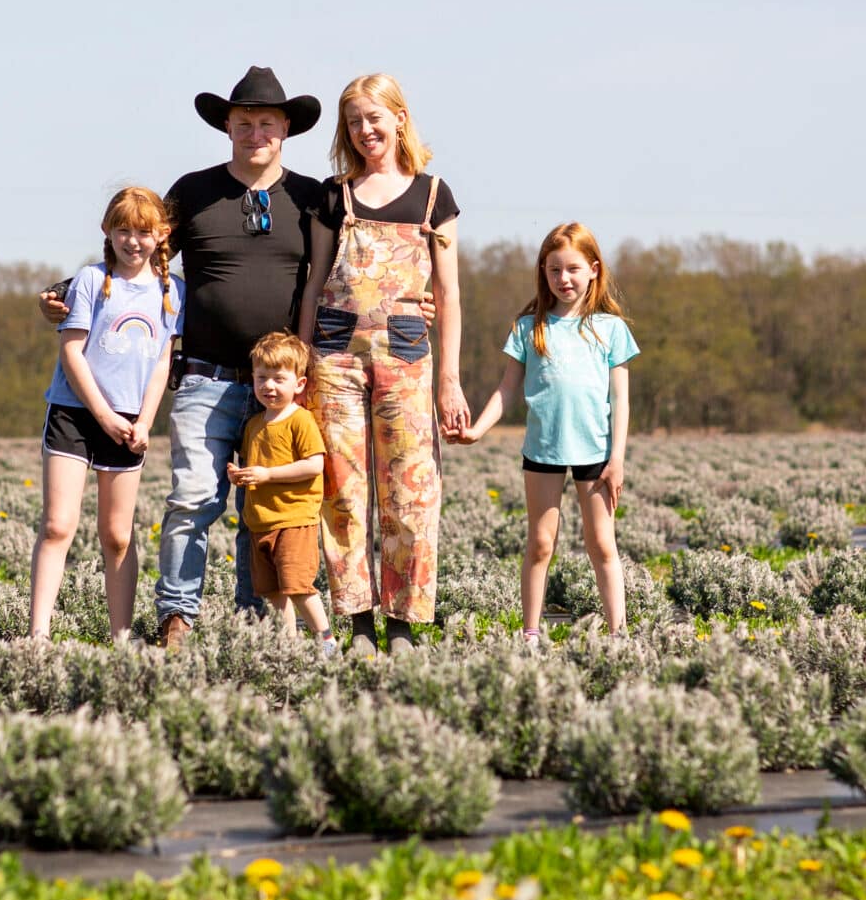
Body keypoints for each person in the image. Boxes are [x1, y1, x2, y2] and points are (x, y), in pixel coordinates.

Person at [38, 67, 344, 650]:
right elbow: (138, 252)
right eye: (244, 122)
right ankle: (178, 616)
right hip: (203, 376)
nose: (256, 133)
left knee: (266, 507)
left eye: (267, 123)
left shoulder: (310, 198)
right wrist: (68, 292)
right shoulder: (195, 191)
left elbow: (338, 276)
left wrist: (416, 302)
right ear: (227, 127)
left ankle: (256, 621)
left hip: (275, 390)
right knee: (192, 501)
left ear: (285, 130)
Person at [297, 72, 465, 651]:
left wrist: (450, 379)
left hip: (408, 357)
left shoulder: (434, 194)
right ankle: (359, 620)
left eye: (374, 118)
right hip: (335, 358)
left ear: (399, 117)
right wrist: (299, 362)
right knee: (341, 491)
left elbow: (449, 295)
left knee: (410, 493)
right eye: (354, 122)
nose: (365, 130)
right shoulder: (331, 195)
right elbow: (316, 281)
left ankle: (402, 621)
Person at [455, 222, 640, 638]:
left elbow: (621, 400)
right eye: (554, 270)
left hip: (596, 455)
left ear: (593, 269)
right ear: (544, 272)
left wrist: (617, 460)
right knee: (540, 544)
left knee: (602, 547)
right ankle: (531, 634)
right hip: (542, 452)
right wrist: (477, 431)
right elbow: (506, 390)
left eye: (573, 269)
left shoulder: (611, 329)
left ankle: (619, 636)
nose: (564, 279)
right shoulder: (528, 327)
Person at [26, 187, 180, 642]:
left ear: (161, 235)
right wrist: (104, 414)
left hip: (131, 421)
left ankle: (122, 635)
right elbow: (72, 353)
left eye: (143, 232)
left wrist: (144, 423)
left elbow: (161, 364)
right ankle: (38, 635)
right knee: (58, 525)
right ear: (107, 233)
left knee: (117, 535)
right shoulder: (89, 281)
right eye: (123, 231)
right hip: (75, 413)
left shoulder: (173, 292)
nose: (133, 241)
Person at [227, 331, 334, 648]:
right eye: (262, 378)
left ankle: (325, 639)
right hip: (261, 522)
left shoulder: (300, 420)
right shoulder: (254, 425)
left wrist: (267, 475)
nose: (269, 386)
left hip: (294, 519)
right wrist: (241, 475)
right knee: (272, 590)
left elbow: (314, 465)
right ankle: (288, 644)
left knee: (298, 585)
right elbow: (256, 467)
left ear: (299, 384)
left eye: (278, 378)